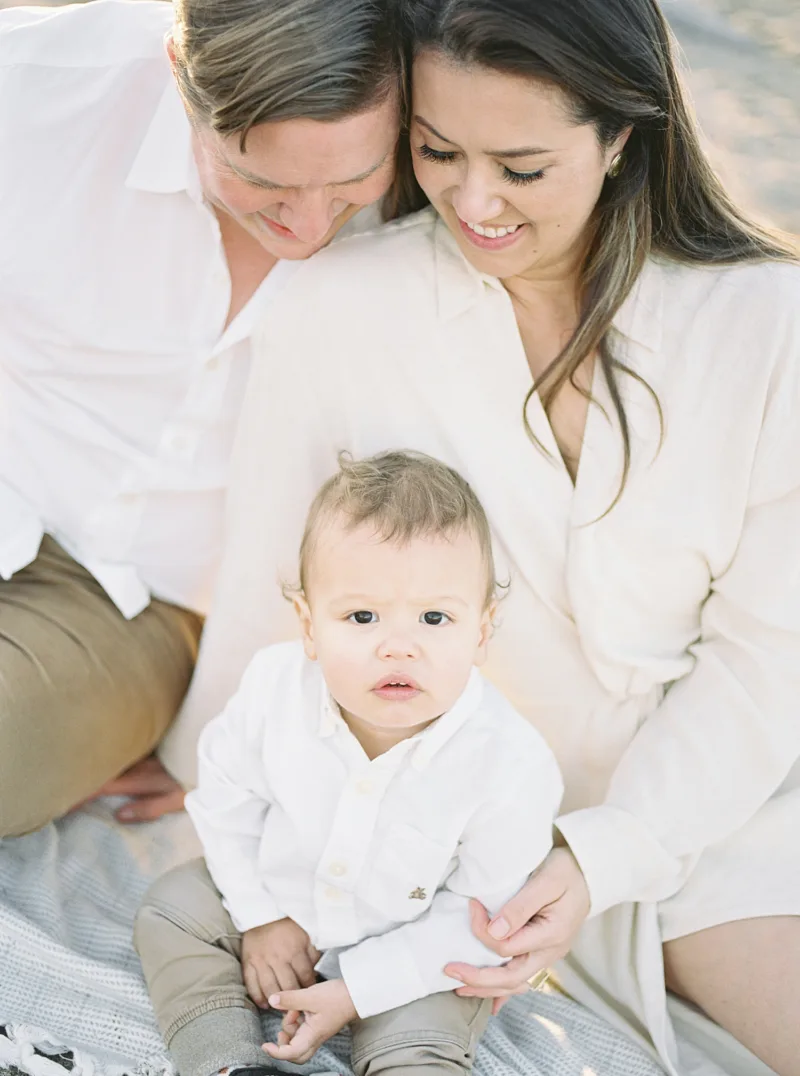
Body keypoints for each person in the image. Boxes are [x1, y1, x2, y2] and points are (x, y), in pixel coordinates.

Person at [160, 0, 800, 1073]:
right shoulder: (340, 306)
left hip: (718, 794)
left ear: (621, 137)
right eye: (437, 150)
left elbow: (767, 655)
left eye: (522, 164)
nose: (473, 198)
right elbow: (276, 581)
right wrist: (196, 762)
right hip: (454, 822)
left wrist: (603, 854)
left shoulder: (764, 320)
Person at [0, 0, 403, 838]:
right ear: (181, 78)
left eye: (349, 186)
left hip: (147, 602)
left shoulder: (442, 186)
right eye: (266, 181)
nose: (309, 224)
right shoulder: (36, 88)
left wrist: (250, 737)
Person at [134, 450, 563, 1076]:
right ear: (309, 625)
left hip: (416, 955)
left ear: (482, 629)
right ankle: (225, 1059)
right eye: (361, 616)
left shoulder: (511, 764)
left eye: (435, 617)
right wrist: (262, 917)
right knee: (172, 909)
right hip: (288, 902)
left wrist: (360, 990)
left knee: (438, 1015)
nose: (397, 646)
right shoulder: (274, 690)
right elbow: (225, 802)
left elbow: (484, 917)